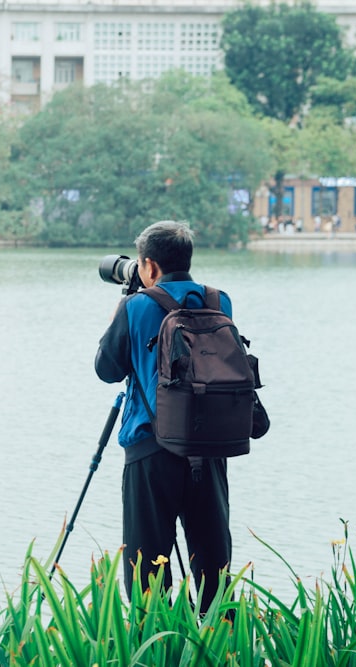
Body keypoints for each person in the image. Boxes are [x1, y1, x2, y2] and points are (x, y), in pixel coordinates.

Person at [94, 220, 233, 612]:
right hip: (210, 447)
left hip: (150, 449)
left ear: (149, 267)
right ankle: (220, 641)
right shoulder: (219, 301)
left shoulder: (136, 306)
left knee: (146, 571)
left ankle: (154, 644)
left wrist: (121, 310)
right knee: (213, 565)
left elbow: (107, 370)